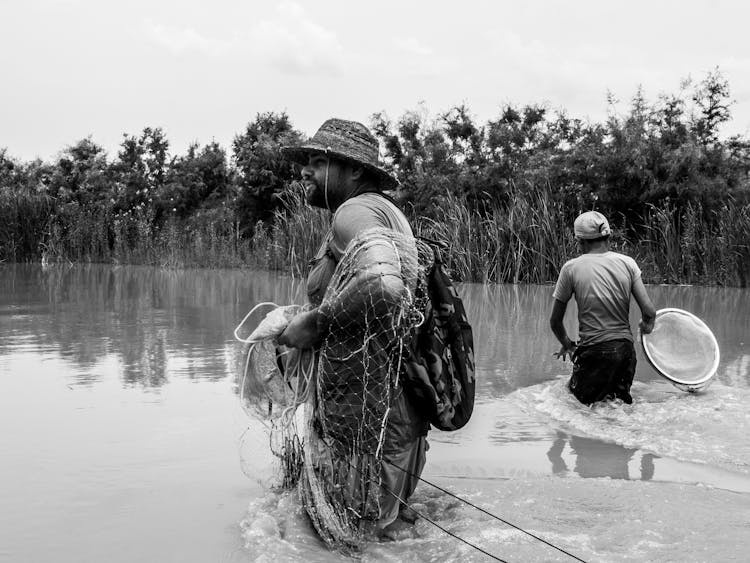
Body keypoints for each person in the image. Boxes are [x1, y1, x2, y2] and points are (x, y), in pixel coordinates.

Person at [277, 118, 429, 540]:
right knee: (386, 536)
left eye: (316, 161)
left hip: (367, 425)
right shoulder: (386, 212)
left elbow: (384, 284)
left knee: (348, 542)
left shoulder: (355, 211)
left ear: (355, 170)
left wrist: (317, 322)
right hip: (396, 415)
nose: (304, 171)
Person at [549, 211, 656, 405]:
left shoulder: (571, 268)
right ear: (608, 235)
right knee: (618, 406)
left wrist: (568, 344)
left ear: (580, 241)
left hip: (595, 351)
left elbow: (555, 321)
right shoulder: (628, 263)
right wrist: (647, 326)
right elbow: (649, 312)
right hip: (625, 352)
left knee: (577, 406)